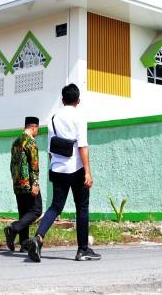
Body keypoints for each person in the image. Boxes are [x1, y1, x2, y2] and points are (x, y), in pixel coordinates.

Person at [25, 83, 100, 263]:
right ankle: (83, 250)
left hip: (57, 168)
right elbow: (82, 146)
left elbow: (51, 148)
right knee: (82, 207)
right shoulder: (79, 116)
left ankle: (39, 238)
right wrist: (88, 172)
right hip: (76, 168)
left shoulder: (53, 118)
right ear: (78, 100)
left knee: (55, 206)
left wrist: (55, 165)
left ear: (62, 99)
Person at [4, 116, 41, 252]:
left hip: (17, 183)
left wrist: (15, 181)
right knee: (36, 210)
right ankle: (13, 229)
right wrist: (35, 183)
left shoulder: (15, 142)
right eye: (38, 129)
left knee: (24, 212)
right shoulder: (30, 142)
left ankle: (24, 244)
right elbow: (34, 165)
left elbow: (12, 165)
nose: (37, 132)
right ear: (33, 127)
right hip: (29, 183)